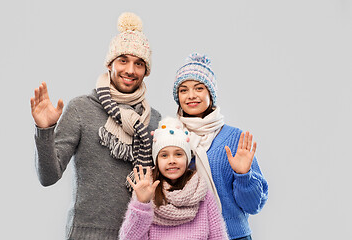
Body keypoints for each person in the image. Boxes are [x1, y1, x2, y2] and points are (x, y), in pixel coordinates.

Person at [30, 12, 161, 239]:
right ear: (110, 64)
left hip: (139, 234)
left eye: (139, 63)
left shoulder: (155, 120)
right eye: (123, 60)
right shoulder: (82, 108)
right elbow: (48, 177)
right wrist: (45, 131)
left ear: (145, 71)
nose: (130, 70)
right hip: (86, 234)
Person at [172, 53, 269, 240]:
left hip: (232, 236)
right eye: (183, 90)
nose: (191, 95)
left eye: (199, 88)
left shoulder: (234, 139)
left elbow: (254, 205)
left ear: (210, 93)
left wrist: (243, 176)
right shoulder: (171, 138)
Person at [119, 117, 229, 240]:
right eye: (164, 155)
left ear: (187, 159)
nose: (172, 161)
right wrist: (142, 204)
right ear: (156, 160)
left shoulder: (202, 192)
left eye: (178, 154)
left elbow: (219, 236)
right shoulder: (147, 191)